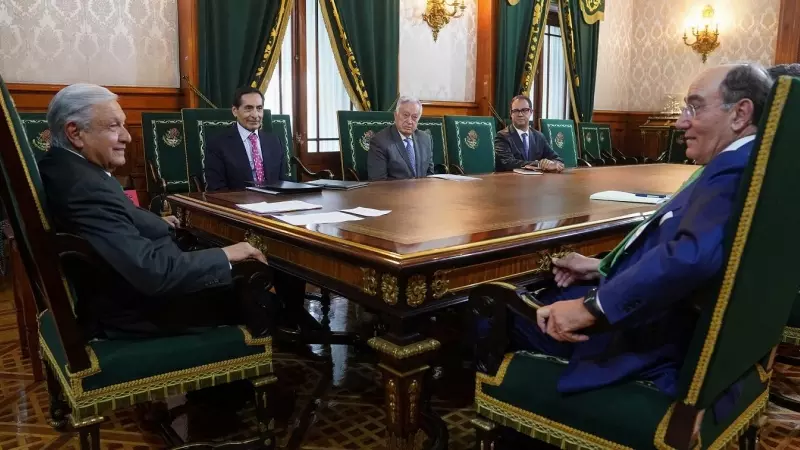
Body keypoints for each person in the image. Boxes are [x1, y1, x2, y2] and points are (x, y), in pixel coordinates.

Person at [489, 63, 772, 401]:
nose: (681, 121)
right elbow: (687, 246)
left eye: (694, 107)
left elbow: (689, 259)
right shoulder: (753, 165)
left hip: (644, 338)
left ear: (740, 114)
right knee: (544, 286)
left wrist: (592, 307)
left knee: (493, 306)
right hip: (667, 318)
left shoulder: (731, 172)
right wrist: (600, 266)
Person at [38, 83, 270, 340]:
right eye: (114, 126)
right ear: (75, 133)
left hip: (139, 293)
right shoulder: (82, 187)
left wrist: (155, 222)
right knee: (259, 292)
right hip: (148, 312)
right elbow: (154, 272)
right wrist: (226, 254)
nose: (127, 137)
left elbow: (119, 221)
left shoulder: (68, 168)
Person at [204, 86, 288, 191]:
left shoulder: (274, 141)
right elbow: (216, 188)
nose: (255, 115)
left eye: (259, 108)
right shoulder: (218, 144)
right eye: (248, 108)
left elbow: (283, 182)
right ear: (235, 111)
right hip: (237, 204)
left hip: (274, 203)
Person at [367, 96, 434, 180]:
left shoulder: (425, 139)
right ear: (396, 115)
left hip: (422, 191)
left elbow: (429, 174)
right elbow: (378, 181)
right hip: (394, 192)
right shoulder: (379, 142)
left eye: (414, 117)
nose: (409, 121)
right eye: (405, 115)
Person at [494, 95, 564, 172]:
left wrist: (554, 164)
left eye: (524, 110)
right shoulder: (502, 136)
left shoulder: (539, 136)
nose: (520, 114)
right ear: (511, 114)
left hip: (536, 182)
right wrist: (539, 164)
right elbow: (508, 163)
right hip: (511, 181)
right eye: (516, 111)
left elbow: (557, 159)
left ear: (531, 112)